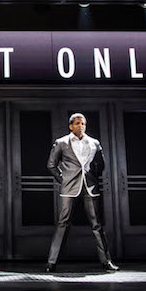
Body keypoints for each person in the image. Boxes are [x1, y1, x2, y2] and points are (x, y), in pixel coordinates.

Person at [45, 113, 118, 272]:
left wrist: (93, 177)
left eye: (83, 123)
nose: (81, 126)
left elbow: (101, 164)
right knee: (63, 223)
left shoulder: (94, 143)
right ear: (71, 126)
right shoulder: (61, 143)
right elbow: (51, 165)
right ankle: (52, 262)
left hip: (90, 187)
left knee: (96, 224)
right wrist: (63, 179)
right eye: (77, 123)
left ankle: (106, 262)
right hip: (69, 188)